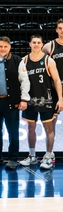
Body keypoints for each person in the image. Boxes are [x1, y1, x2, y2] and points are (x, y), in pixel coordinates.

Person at [0, 36, 30, 170]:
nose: (3, 49)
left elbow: (24, 80)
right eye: (0, 46)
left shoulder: (17, 60)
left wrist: (24, 99)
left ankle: (12, 159)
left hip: (11, 102)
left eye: (5, 46)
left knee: (13, 132)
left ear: (10, 47)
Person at [19, 35, 63, 169]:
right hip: (30, 100)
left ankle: (48, 157)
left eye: (39, 42)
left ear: (42, 44)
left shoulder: (48, 60)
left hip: (47, 100)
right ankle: (32, 156)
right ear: (30, 44)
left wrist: (60, 99)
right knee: (30, 128)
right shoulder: (24, 60)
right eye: (34, 42)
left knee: (49, 128)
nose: (36, 45)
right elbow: (20, 81)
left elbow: (57, 81)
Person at [42, 18, 63, 163]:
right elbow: (39, 61)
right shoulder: (49, 46)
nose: (62, 31)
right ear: (56, 30)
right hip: (55, 89)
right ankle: (49, 154)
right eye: (60, 28)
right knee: (51, 124)